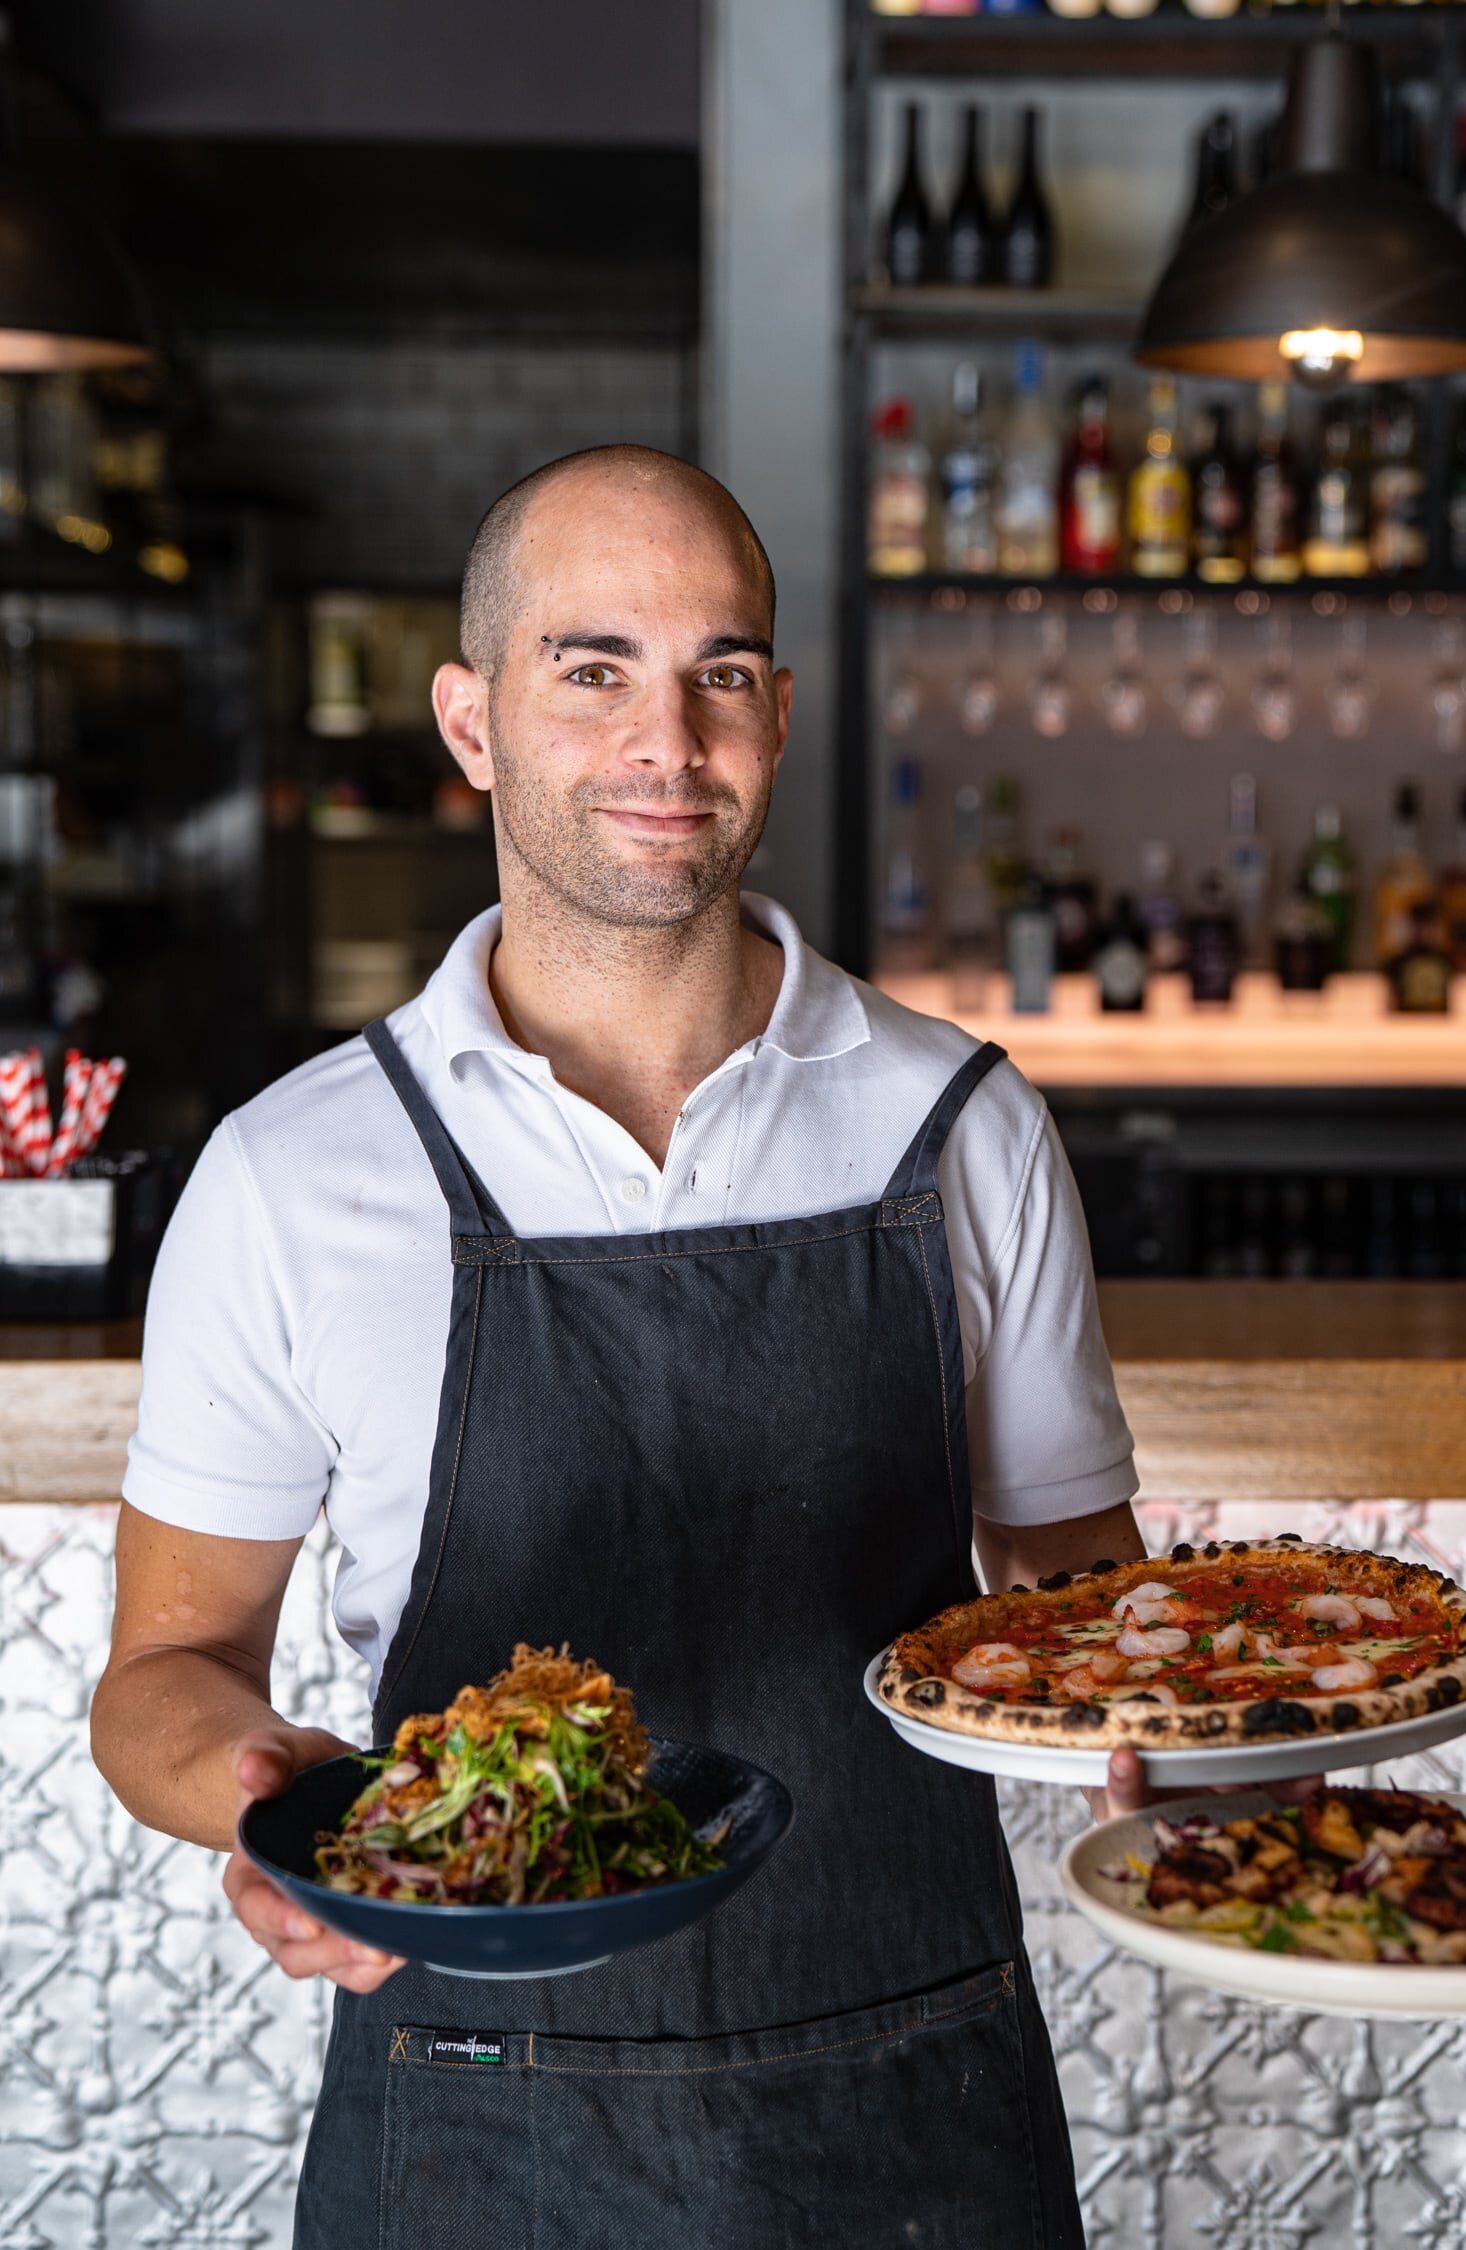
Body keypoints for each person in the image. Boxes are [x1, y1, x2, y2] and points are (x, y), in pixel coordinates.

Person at [92, 445, 1152, 2248]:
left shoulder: (958, 1119)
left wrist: (1170, 1728)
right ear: (470, 718)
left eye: (719, 673)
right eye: (593, 669)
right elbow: (165, 1668)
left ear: (779, 713)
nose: (669, 741)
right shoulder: (293, 1171)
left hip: (914, 2088)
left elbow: (1074, 1592)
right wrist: (274, 1800)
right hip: (477, 2098)